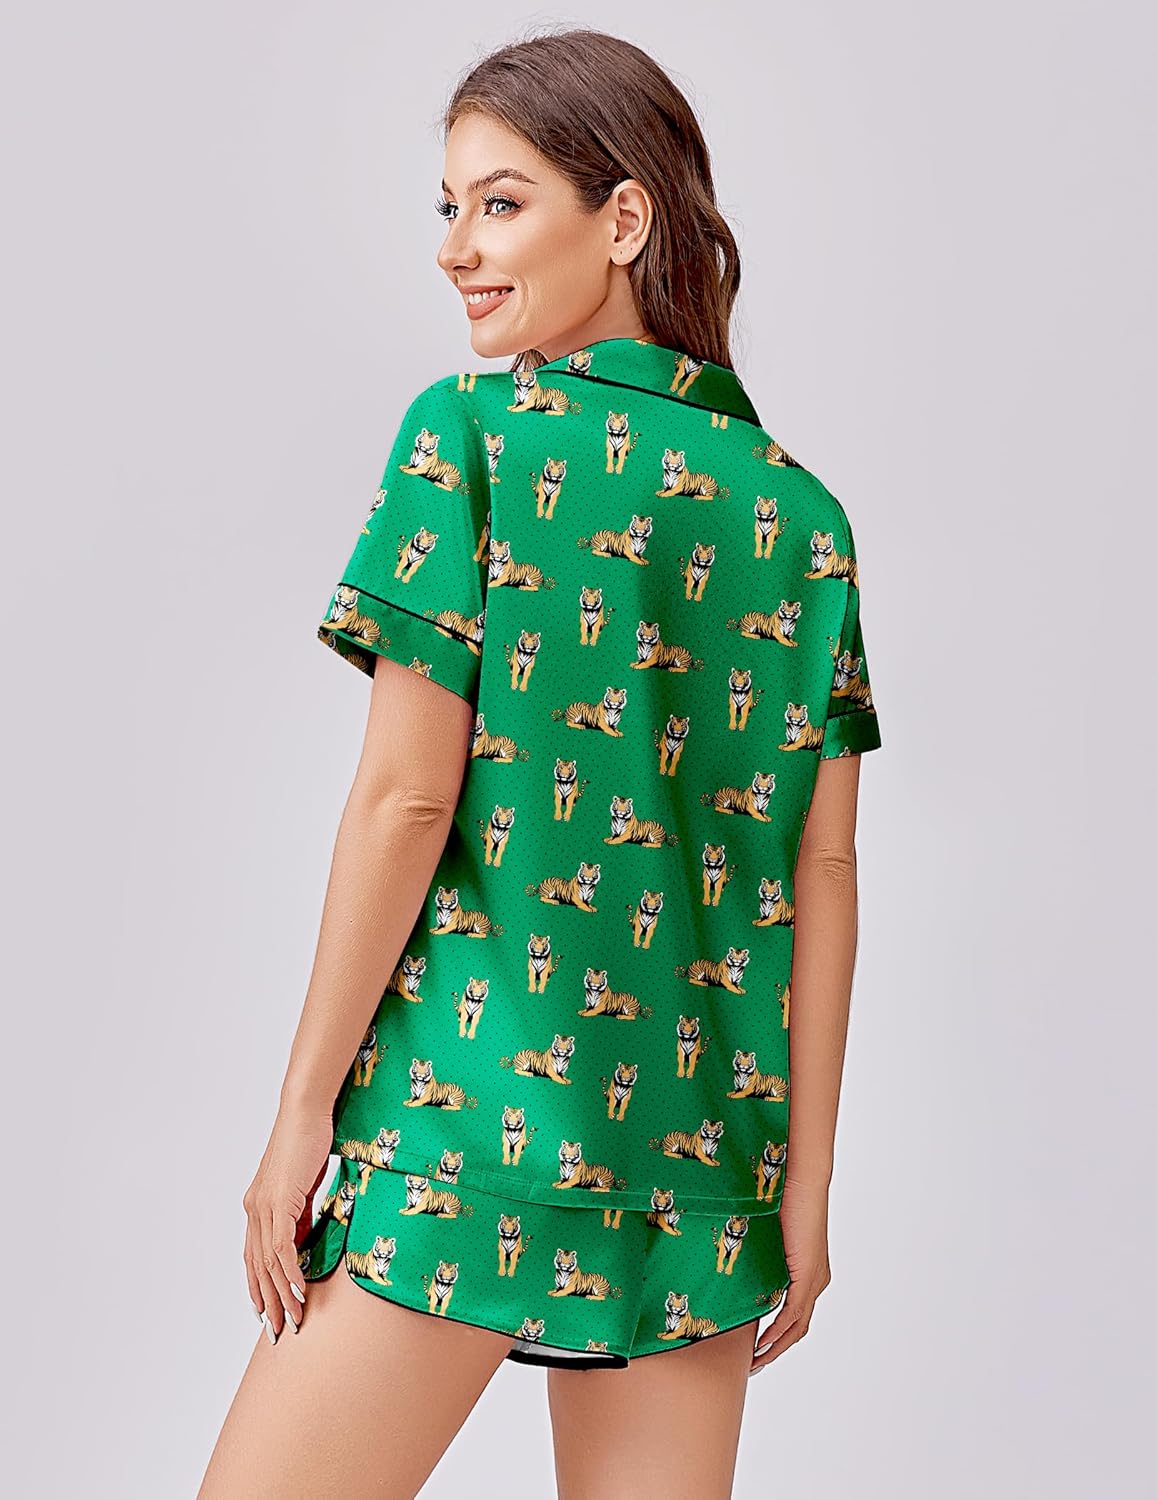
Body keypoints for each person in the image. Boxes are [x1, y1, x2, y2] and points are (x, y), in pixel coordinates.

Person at [198, 26, 882, 1500]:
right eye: (448, 207)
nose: (455, 248)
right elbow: (822, 872)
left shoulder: (471, 437)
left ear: (623, 218)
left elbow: (406, 800)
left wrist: (300, 1117)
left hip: (468, 1129)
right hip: (700, 1169)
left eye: (499, 203)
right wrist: (803, 1192)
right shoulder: (800, 516)